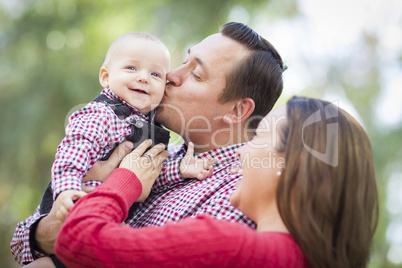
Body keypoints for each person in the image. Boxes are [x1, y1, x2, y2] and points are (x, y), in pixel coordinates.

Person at [11, 22, 286, 265]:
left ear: (236, 111)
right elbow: (21, 243)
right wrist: (46, 231)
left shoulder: (239, 196)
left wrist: (121, 182)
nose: (170, 76)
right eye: (184, 61)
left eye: (196, 74)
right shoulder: (149, 148)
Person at [53, 96, 379, 267]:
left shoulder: (232, 247)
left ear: (291, 168)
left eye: (259, 137)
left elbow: (78, 239)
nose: (242, 154)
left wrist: (125, 177)